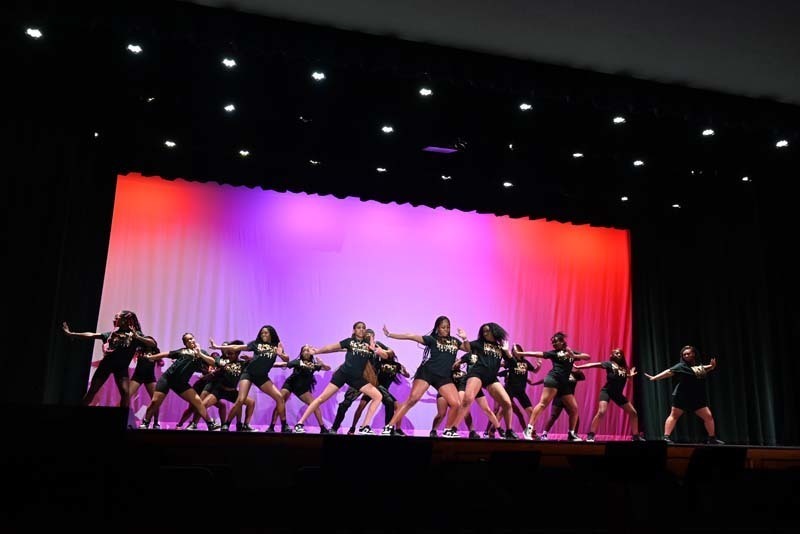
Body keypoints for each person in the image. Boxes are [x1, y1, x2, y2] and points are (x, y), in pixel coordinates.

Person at [381, 316, 470, 437]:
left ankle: (448, 430)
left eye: (448, 327)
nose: (446, 330)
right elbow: (410, 336)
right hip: (427, 372)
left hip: (443, 377)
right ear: (438, 328)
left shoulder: (455, 341)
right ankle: (389, 426)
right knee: (412, 400)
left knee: (456, 404)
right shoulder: (432, 339)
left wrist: (464, 338)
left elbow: (467, 348)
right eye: (443, 327)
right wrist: (390, 334)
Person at [293, 321, 386, 434]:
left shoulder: (369, 345)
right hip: (343, 374)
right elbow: (331, 347)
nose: (361, 329)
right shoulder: (349, 341)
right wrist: (317, 351)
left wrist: (375, 349)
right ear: (354, 330)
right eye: (358, 327)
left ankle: (364, 426)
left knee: (377, 396)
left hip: (356, 378)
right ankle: (300, 423)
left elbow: (385, 355)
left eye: (363, 328)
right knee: (321, 398)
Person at [62, 310, 156, 410]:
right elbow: (92, 335)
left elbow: (153, 344)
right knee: (92, 391)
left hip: (121, 369)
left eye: (117, 317)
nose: (114, 319)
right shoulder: (111, 335)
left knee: (125, 393)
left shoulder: (135, 335)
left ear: (124, 320)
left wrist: (138, 337)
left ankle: (122, 418)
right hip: (105, 366)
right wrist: (72, 334)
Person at [210, 325, 290, 433]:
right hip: (248, 374)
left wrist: (281, 354)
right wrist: (217, 347)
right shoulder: (256, 344)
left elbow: (286, 358)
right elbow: (236, 347)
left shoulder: (277, 345)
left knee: (279, 398)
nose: (263, 335)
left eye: (266, 333)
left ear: (271, 333)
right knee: (240, 400)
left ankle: (284, 426)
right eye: (262, 333)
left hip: (262, 377)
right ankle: (227, 424)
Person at [514, 332, 590, 441]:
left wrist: (574, 356)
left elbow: (588, 356)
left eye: (555, 342)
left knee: (574, 409)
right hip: (553, 379)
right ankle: (529, 429)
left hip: (564, 384)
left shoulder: (571, 353)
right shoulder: (554, 353)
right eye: (552, 342)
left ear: (562, 342)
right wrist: (522, 353)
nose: (553, 344)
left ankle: (571, 434)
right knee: (543, 404)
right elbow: (537, 354)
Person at [332, 329, 410, 435]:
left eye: (371, 336)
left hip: (373, 381)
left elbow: (391, 352)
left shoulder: (378, 345)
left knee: (389, 402)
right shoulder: (359, 346)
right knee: (346, 404)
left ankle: (389, 430)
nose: (369, 338)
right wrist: (339, 368)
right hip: (358, 378)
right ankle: (335, 428)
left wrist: (381, 350)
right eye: (367, 336)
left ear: (374, 337)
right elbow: (346, 353)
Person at [140, 332, 220, 430]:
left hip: (181, 383)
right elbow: (167, 354)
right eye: (188, 340)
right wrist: (151, 357)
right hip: (167, 378)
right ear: (185, 344)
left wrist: (199, 354)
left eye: (192, 338)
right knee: (155, 402)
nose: (191, 341)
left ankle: (210, 423)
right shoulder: (182, 351)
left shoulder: (202, 352)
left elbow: (213, 362)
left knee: (198, 401)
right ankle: (146, 422)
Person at [451, 323, 519, 439]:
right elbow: (466, 347)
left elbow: (514, 365)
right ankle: (453, 429)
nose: (485, 333)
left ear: (494, 332)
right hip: (477, 374)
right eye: (484, 332)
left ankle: (508, 430)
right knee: (467, 400)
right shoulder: (479, 343)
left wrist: (507, 352)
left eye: (488, 331)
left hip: (491, 378)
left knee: (507, 403)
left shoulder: (500, 347)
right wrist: (464, 338)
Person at [645, 345, 723, 444]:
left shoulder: (696, 366)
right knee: (674, 415)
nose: (686, 355)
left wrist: (711, 367)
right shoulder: (680, 366)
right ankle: (666, 438)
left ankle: (712, 438)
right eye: (684, 354)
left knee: (708, 416)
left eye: (688, 354)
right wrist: (654, 378)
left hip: (695, 396)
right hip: (681, 396)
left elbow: (702, 369)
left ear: (693, 354)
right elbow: (668, 372)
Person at [575, 348, 645, 441]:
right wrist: (579, 367)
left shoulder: (624, 368)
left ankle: (635, 436)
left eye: (620, 353)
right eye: (616, 353)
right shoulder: (609, 364)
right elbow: (594, 365)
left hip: (617, 394)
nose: (618, 354)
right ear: (611, 356)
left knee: (633, 413)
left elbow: (627, 379)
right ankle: (591, 434)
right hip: (607, 391)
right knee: (601, 412)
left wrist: (630, 376)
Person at [268, 344, 331, 433]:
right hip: (290, 384)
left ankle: (323, 428)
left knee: (315, 405)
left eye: (308, 350)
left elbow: (328, 368)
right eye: (304, 350)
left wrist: (322, 363)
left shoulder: (314, 365)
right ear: (301, 353)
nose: (306, 352)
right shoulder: (298, 362)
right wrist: (267, 364)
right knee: (280, 401)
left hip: (302, 389)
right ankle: (272, 427)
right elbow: (282, 364)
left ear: (311, 353)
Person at [196, 340, 256, 432]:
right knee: (202, 405)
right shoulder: (223, 362)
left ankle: (245, 425)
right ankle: (210, 423)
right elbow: (212, 361)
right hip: (220, 390)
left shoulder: (242, 363)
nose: (229, 355)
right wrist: (200, 353)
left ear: (237, 354)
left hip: (232, 391)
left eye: (231, 354)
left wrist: (251, 358)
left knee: (251, 403)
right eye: (228, 354)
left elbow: (258, 361)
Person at [486, 343, 542, 436]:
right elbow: (501, 365)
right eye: (513, 351)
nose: (515, 352)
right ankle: (492, 429)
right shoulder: (511, 361)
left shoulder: (526, 363)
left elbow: (535, 371)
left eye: (516, 350)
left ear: (521, 351)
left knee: (531, 411)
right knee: (502, 410)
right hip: (510, 389)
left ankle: (531, 431)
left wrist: (539, 365)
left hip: (521, 391)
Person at [536, 368, 585, 440]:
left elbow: (583, 377)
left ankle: (573, 434)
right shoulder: (561, 372)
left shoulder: (575, 375)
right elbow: (547, 379)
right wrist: (534, 383)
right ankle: (544, 434)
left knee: (575, 416)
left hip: (569, 399)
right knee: (553, 416)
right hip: (559, 397)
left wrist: (576, 370)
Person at [129, 336, 164, 428]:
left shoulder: (155, 351)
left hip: (150, 378)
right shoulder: (140, 350)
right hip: (137, 376)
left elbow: (161, 362)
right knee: (126, 395)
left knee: (155, 401)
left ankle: (156, 422)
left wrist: (160, 361)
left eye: (149, 341)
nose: (148, 343)